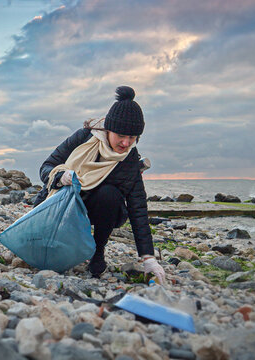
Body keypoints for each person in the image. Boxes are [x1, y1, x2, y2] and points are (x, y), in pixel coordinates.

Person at [33, 86, 166, 284]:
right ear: (108, 129)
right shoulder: (83, 138)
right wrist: (61, 176)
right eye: (121, 135)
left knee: (110, 194)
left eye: (132, 138)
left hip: (96, 210)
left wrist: (149, 258)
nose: (125, 143)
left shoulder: (130, 161)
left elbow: (138, 209)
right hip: (64, 204)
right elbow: (46, 167)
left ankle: (97, 251)